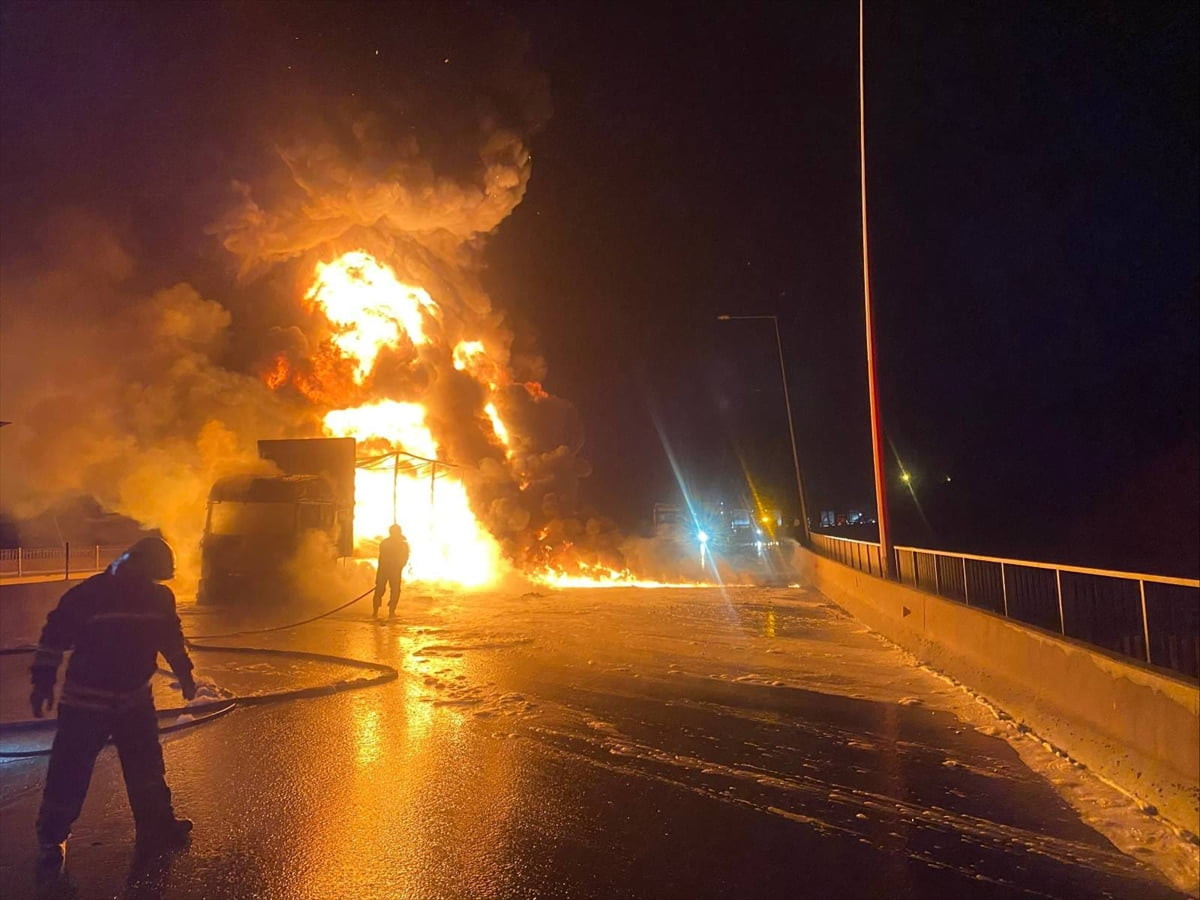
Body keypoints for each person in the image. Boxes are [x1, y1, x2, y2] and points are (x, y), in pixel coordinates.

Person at [30, 536, 197, 872]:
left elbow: (170, 638)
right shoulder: (91, 595)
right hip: (87, 703)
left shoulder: (154, 596)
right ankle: (52, 839)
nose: (147, 583)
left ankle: (156, 826)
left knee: (146, 769)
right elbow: (54, 637)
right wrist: (43, 681)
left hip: (131, 700)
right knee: (71, 771)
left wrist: (184, 672)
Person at [372, 524, 411, 618]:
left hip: (392, 571)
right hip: (385, 571)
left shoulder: (402, 545)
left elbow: (405, 558)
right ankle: (376, 612)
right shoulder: (386, 543)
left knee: (394, 591)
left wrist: (399, 566)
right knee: (381, 590)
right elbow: (383, 557)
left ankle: (390, 611)